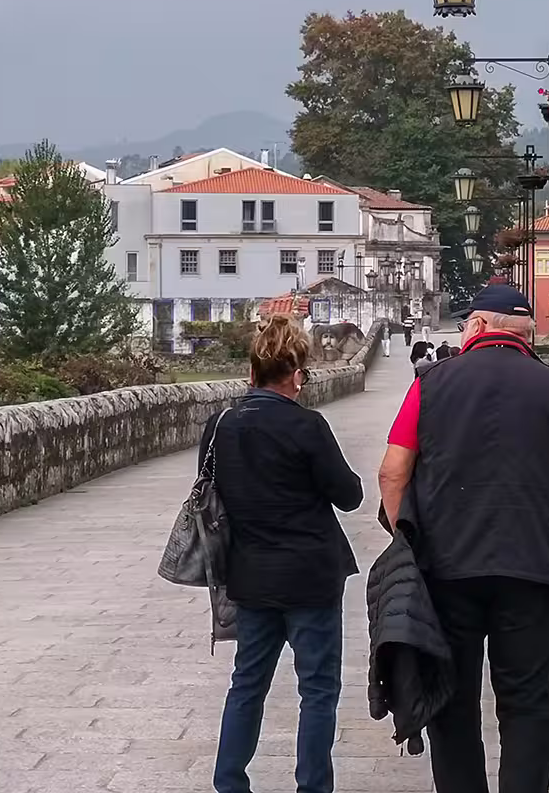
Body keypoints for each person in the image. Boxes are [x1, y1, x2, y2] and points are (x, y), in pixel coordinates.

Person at [376, 282, 549, 793]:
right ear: (526, 334)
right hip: (534, 571)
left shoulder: (430, 384)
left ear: (476, 327)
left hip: (447, 569)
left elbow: (392, 472)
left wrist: (406, 540)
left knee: (453, 698)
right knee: (527, 701)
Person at [207, 315, 364, 793]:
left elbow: (213, 492)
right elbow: (349, 495)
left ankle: (230, 782)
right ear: (296, 375)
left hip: (251, 575)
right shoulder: (307, 426)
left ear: (251, 372)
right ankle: (312, 786)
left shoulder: (222, 426)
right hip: (310, 577)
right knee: (317, 689)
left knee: (247, 683)